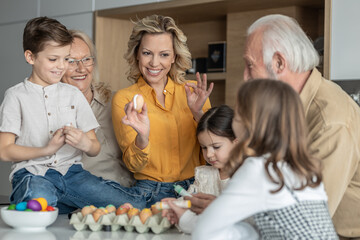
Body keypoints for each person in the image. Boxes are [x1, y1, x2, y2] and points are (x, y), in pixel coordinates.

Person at [0, 17, 144, 214]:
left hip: (73, 175)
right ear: (30, 57)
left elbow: (94, 147)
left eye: (65, 59)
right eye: (53, 59)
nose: (60, 66)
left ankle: (66, 205)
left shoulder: (73, 94)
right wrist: (46, 149)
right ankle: (63, 205)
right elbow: (5, 150)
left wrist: (84, 142)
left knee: (134, 207)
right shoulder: (15, 96)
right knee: (37, 209)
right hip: (33, 174)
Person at [240, 14, 360, 239]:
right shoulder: (287, 106)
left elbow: (303, 220)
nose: (245, 77)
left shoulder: (331, 122)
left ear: (278, 63)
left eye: (250, 65)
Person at [193, 79, 338, 240]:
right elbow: (265, 229)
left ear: (250, 122)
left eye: (238, 113)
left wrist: (186, 218)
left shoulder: (258, 169)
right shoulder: (300, 166)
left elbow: (204, 232)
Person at [112, 15, 213, 208]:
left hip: (196, 188)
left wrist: (198, 114)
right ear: (137, 54)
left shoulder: (194, 92)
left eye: (164, 54)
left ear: (174, 56)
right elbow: (134, 165)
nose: (154, 63)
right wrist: (143, 136)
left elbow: (213, 152)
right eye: (147, 53)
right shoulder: (125, 99)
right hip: (149, 193)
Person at [61, 30, 134, 186]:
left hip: (133, 197)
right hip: (88, 204)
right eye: (71, 61)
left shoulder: (117, 101)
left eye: (86, 59)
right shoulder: (51, 113)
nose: (81, 68)